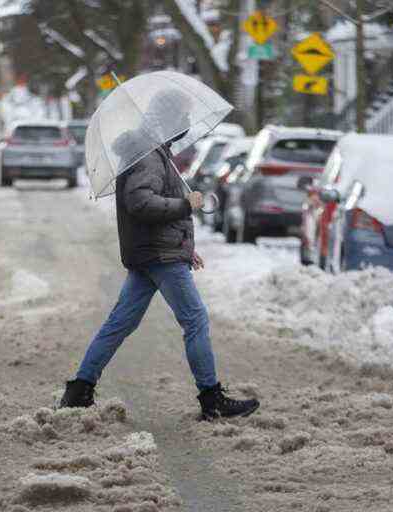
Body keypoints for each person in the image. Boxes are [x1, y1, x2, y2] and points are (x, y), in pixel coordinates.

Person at [59, 90, 260, 421]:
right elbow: (140, 202)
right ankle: (212, 400)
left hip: (155, 253)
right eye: (181, 117)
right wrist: (186, 204)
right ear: (167, 119)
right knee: (195, 320)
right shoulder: (148, 155)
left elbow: (152, 203)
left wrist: (185, 247)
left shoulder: (154, 152)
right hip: (158, 256)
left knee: (120, 323)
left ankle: (79, 390)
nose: (184, 124)